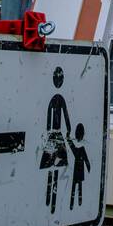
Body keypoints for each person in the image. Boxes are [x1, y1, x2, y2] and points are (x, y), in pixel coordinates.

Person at [39, 66, 71, 211]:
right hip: (55, 136)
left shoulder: (56, 98)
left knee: (54, 165)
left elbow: (64, 116)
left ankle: (51, 201)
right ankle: (49, 200)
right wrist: (68, 130)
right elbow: (62, 116)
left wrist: (49, 131)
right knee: (50, 166)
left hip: (54, 136)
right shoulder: (55, 98)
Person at [67, 123, 91, 210]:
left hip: (78, 170)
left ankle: (76, 205)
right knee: (76, 187)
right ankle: (74, 205)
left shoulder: (81, 148)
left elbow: (87, 160)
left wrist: (89, 169)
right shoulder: (81, 148)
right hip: (78, 170)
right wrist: (89, 168)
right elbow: (87, 160)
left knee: (77, 187)